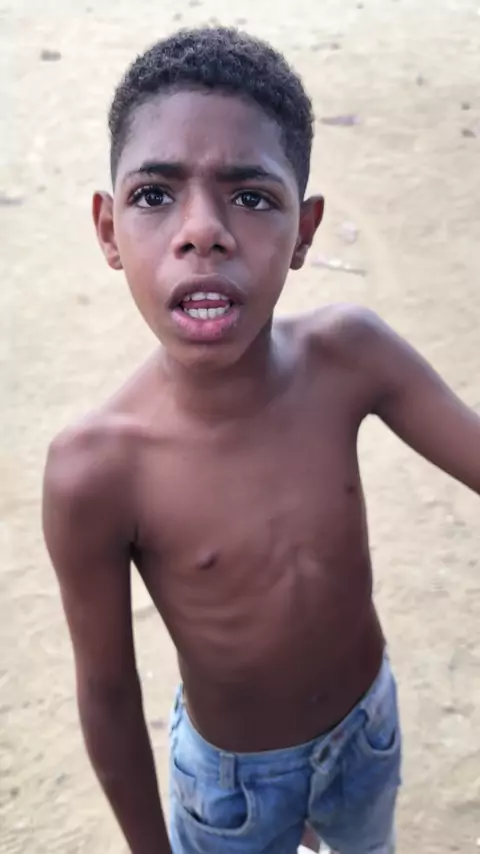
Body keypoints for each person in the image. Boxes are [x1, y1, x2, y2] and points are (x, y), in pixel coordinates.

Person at [42, 26, 480, 854]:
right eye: (154, 195)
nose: (203, 232)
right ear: (107, 228)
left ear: (304, 231)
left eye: (250, 197)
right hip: (232, 784)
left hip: (365, 731)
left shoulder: (352, 356)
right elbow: (106, 693)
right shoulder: (96, 470)